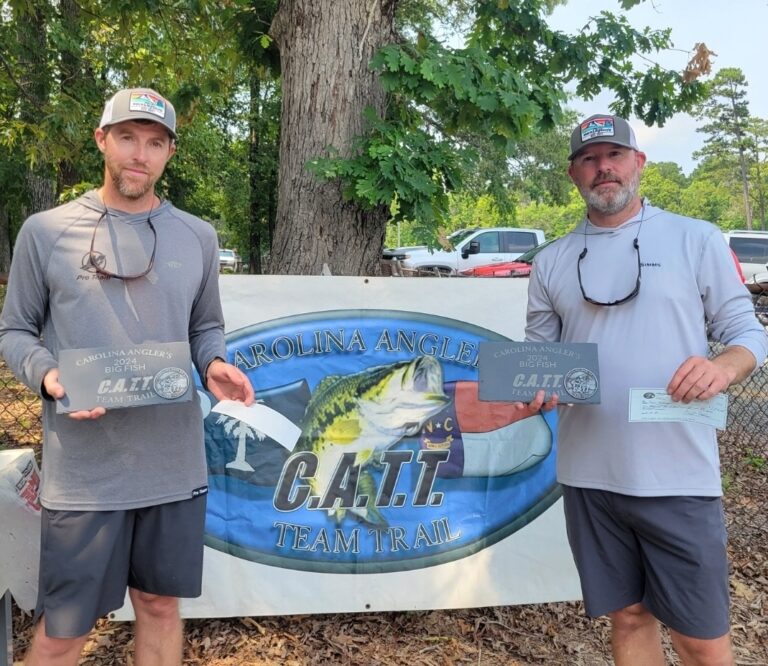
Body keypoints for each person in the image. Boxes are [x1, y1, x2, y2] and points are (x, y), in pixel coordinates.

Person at [0, 87, 255, 665]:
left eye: (155, 142)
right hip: (86, 471)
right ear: (102, 140)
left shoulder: (198, 236)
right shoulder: (46, 232)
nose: (140, 154)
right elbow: (14, 331)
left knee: (160, 605)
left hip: (172, 464)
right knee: (66, 627)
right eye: (128, 137)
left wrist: (213, 363)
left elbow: (205, 327)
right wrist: (50, 377)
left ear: (169, 153)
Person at [523, 114, 768, 665]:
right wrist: (534, 389)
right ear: (573, 174)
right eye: (589, 158)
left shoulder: (696, 238)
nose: (602, 167)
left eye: (614, 155)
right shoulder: (552, 261)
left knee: (700, 641)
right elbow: (541, 360)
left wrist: (724, 367)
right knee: (629, 616)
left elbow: (747, 332)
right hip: (590, 476)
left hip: (678, 474)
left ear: (639, 163)